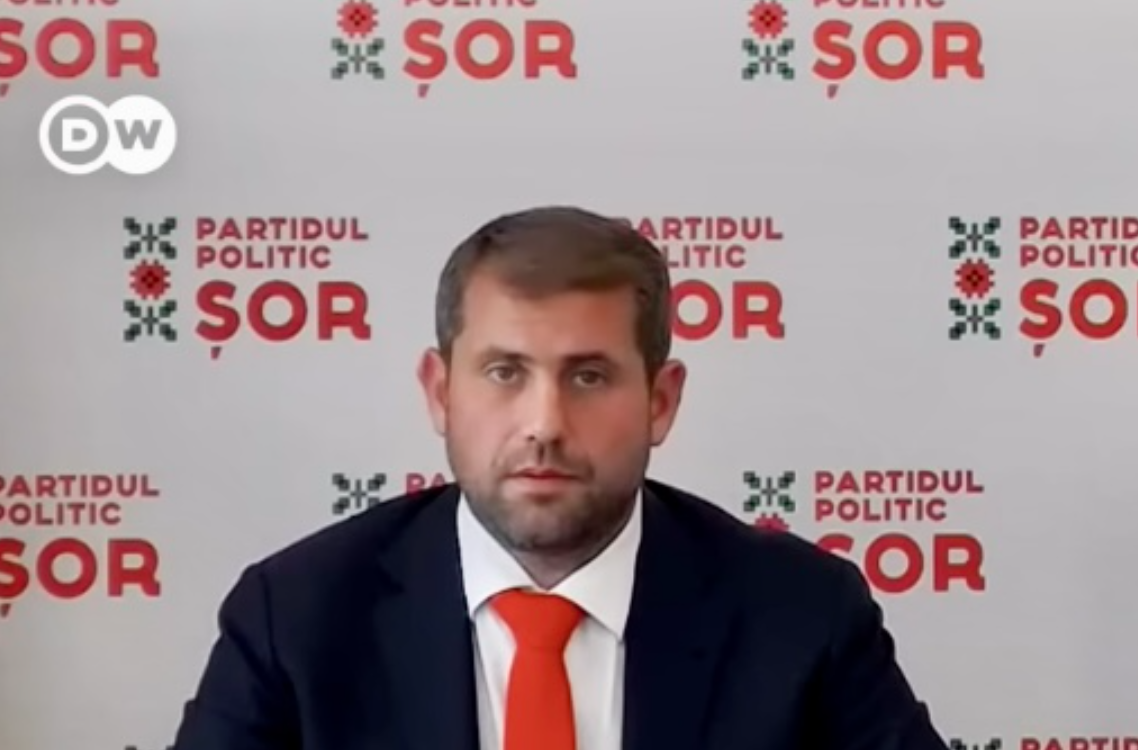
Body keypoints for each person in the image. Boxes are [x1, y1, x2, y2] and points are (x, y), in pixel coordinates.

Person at [171, 206, 949, 750]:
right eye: (505, 372)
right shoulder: (296, 618)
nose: (543, 422)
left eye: (588, 377)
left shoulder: (802, 615)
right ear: (440, 393)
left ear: (661, 401)